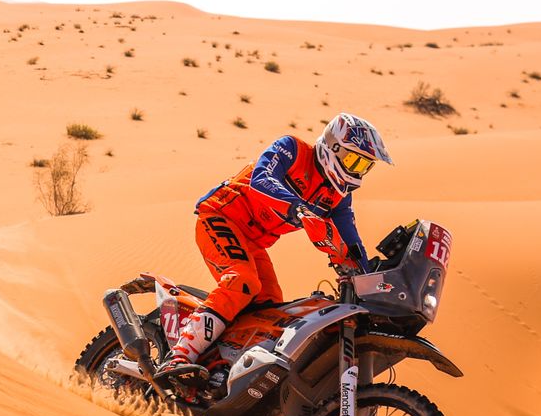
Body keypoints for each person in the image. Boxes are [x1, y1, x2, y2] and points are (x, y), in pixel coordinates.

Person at [157, 113, 393, 382]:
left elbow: (350, 240)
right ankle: (180, 356)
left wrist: (367, 276)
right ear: (333, 147)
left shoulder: (338, 197)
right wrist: (298, 208)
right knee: (242, 281)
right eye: (353, 161)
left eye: (364, 166)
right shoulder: (292, 149)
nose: (357, 171)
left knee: (270, 311)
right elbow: (261, 178)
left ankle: (220, 369)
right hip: (220, 217)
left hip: (253, 243)